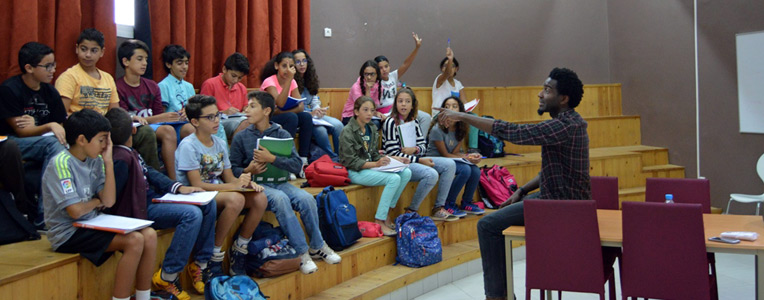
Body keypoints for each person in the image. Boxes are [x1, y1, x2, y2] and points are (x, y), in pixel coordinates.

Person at [435, 67, 590, 300]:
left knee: (487, 226)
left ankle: (498, 297)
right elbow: (552, 170)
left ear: (563, 98)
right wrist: (522, 190)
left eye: (547, 90)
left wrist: (463, 116)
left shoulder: (565, 126)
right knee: (501, 214)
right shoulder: (567, 123)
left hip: (563, 208)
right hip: (554, 199)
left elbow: (514, 132)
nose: (540, 94)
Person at [41, 109, 158, 300]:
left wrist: (109, 162)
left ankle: (143, 296)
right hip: (68, 232)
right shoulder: (61, 164)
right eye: (102, 139)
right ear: (81, 140)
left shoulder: (95, 160)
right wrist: (96, 201)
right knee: (134, 241)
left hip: (92, 222)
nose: (105, 145)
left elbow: (109, 200)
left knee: (149, 235)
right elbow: (76, 211)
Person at [106, 107, 214, 299]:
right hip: (139, 211)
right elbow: (115, 201)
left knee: (206, 204)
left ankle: (201, 263)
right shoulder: (119, 159)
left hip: (151, 200)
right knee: (191, 214)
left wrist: (178, 188)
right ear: (133, 130)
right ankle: (168, 275)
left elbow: (151, 173)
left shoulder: (130, 152)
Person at [229, 91, 342, 275]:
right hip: (256, 186)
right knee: (280, 199)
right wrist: (248, 169)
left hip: (280, 182)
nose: (246, 110)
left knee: (306, 199)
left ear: (266, 111)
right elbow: (232, 169)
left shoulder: (281, 133)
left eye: (252, 106)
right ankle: (301, 253)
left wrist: (272, 158)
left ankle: (317, 246)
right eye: (246, 106)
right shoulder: (241, 137)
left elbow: (297, 164)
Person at [175, 95, 268, 277]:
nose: (216, 120)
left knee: (260, 198)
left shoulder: (218, 143)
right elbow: (197, 184)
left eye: (217, 115)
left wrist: (246, 183)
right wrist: (236, 187)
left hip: (217, 192)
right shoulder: (188, 146)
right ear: (194, 121)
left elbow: (228, 178)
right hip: (195, 194)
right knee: (235, 199)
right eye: (209, 117)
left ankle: (240, 249)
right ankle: (214, 255)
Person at [55, 28, 161, 171]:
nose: (88, 55)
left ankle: (147, 178)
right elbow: (61, 115)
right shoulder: (69, 77)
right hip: (82, 129)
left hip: (106, 128)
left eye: (94, 50)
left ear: (102, 52)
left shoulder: (107, 78)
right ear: (77, 49)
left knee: (145, 132)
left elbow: (115, 112)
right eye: (84, 49)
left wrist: (128, 122)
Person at [0, 42, 67, 223]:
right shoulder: (10, 89)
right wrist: (47, 125)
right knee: (54, 144)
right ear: (29, 67)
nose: (53, 70)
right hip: (11, 144)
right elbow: (22, 132)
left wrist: (44, 126)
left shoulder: (51, 92)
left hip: (41, 141)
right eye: (47, 66)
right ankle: (45, 217)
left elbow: (58, 127)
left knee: (63, 144)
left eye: (54, 65)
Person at [381, 88, 458, 222]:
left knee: (450, 165)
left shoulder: (414, 121)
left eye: (407, 101)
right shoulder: (390, 122)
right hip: (399, 163)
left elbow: (423, 146)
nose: (403, 104)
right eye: (400, 101)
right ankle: (412, 210)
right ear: (395, 104)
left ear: (412, 105)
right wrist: (419, 160)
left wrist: (414, 149)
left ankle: (438, 207)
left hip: (414, 158)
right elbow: (393, 153)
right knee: (431, 174)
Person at [339, 96, 412, 236]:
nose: (369, 114)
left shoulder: (372, 128)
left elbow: (374, 153)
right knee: (394, 179)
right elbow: (350, 162)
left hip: (370, 166)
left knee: (406, 173)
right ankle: (379, 219)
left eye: (372, 110)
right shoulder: (347, 131)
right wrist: (375, 164)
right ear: (355, 112)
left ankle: (388, 212)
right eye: (365, 110)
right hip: (355, 171)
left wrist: (394, 159)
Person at [116, 39, 182, 180]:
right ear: (126, 62)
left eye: (146, 59)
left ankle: (192, 175)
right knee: (168, 131)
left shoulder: (152, 85)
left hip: (155, 124)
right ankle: (171, 180)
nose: (145, 63)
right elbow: (123, 119)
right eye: (139, 59)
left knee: (189, 128)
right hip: (136, 127)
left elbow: (159, 114)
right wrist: (158, 118)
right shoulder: (118, 87)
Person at [426, 96, 485, 217]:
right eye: (447, 107)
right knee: (465, 169)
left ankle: (467, 202)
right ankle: (449, 203)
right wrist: (466, 159)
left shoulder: (461, 128)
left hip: (450, 159)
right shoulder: (437, 129)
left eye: (454, 106)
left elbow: (455, 152)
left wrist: (470, 156)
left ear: (460, 111)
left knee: (475, 170)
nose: (450, 109)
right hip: (435, 159)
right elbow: (445, 154)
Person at [158, 44, 223, 141]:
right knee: (194, 129)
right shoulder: (163, 85)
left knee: (217, 125)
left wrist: (189, 112)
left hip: (191, 120)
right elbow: (161, 113)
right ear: (169, 64)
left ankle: (220, 154)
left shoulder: (189, 86)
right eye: (180, 63)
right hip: (174, 125)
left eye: (186, 63)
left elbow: (196, 108)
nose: (184, 67)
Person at [260, 51, 314, 161]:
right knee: (291, 117)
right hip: (268, 117)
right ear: (276, 66)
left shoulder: (293, 81)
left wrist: (283, 110)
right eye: (284, 66)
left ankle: (303, 158)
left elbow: (301, 106)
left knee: (306, 117)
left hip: (283, 114)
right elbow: (279, 103)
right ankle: (287, 157)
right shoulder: (269, 81)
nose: (288, 70)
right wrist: (289, 80)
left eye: (291, 66)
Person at [375, 32, 431, 135]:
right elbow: (368, 101)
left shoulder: (393, 76)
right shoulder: (374, 82)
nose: (384, 70)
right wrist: (376, 113)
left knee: (426, 118)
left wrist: (417, 48)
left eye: (386, 66)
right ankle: (404, 146)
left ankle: (419, 145)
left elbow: (406, 64)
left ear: (389, 66)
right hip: (385, 113)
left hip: (399, 108)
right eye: (380, 68)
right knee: (401, 122)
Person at [293, 49, 343, 157]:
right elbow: (294, 106)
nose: (302, 64)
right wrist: (310, 113)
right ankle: (333, 157)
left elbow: (314, 98)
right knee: (321, 131)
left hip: (314, 115)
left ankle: (342, 156)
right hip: (302, 117)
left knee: (338, 125)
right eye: (298, 62)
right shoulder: (291, 81)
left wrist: (318, 109)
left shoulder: (309, 78)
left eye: (304, 61)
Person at [432, 47, 479, 151]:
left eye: (452, 66)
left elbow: (464, 102)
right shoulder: (440, 80)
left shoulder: (458, 84)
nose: (449, 68)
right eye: (445, 66)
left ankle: (473, 148)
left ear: (456, 68)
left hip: (455, 114)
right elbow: (446, 73)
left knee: (474, 117)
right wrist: (450, 59)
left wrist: (467, 109)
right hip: (440, 115)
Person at [199, 52, 251, 140]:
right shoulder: (210, 84)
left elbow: (245, 107)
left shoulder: (241, 88)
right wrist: (224, 112)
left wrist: (246, 110)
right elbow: (203, 112)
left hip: (238, 120)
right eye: (233, 76)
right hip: (217, 121)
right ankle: (235, 153)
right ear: (224, 69)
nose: (235, 80)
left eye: (240, 78)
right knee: (246, 124)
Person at [341, 61, 382, 128]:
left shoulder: (379, 86)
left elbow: (374, 107)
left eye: (372, 74)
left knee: (380, 122)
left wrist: (376, 113)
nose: (369, 77)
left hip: (368, 115)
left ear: (377, 75)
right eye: (366, 74)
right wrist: (368, 90)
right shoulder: (356, 87)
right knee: (372, 124)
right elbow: (364, 108)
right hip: (351, 116)